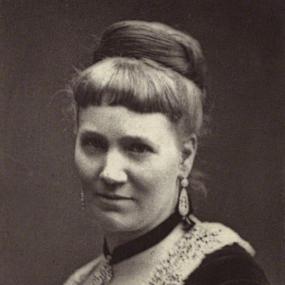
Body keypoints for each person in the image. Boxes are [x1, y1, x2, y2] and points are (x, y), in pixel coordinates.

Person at [64, 20, 269, 285]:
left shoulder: (226, 273)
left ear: (185, 157)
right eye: (94, 144)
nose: (109, 173)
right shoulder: (81, 280)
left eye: (137, 148)